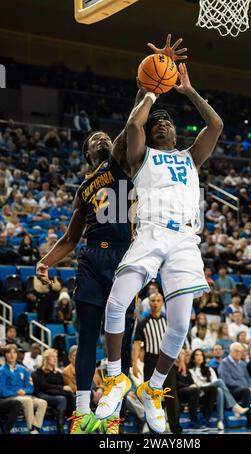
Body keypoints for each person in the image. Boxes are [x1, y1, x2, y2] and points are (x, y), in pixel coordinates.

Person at [98, 46, 223, 432]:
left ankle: (153, 389)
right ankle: (117, 377)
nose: (161, 125)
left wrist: (187, 90)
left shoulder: (190, 156)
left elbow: (216, 126)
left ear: (176, 131)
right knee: (117, 303)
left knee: (180, 326)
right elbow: (134, 126)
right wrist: (151, 90)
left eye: (167, 123)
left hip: (186, 239)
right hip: (151, 231)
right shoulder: (142, 155)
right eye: (157, 123)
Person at [35, 86, 145, 433]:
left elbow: (131, 124)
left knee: (122, 342)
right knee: (86, 337)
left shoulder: (121, 163)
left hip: (125, 259)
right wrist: (46, 261)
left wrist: (146, 86)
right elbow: (70, 238)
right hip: (92, 262)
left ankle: (111, 415)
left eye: (105, 136)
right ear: (87, 153)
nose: (101, 138)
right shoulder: (84, 188)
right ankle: (82, 412)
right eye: (95, 138)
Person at [132, 292, 181, 433]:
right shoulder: (143, 323)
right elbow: (136, 345)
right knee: (150, 394)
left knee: (171, 394)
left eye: (158, 300)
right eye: (153, 300)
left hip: (167, 361)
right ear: (149, 303)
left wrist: (180, 359)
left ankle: (175, 426)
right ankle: (151, 423)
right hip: (150, 361)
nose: (155, 303)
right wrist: (135, 364)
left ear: (162, 303)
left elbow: (177, 341)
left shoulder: (168, 321)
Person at [189, 349, 248, 430]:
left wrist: (210, 386)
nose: (199, 357)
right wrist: (209, 385)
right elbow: (197, 384)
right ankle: (234, 406)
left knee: (220, 390)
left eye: (201, 355)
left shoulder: (209, 369)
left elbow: (215, 383)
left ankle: (220, 421)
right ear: (193, 358)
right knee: (219, 382)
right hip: (199, 393)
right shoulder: (191, 370)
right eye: (197, 355)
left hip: (210, 394)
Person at [218, 342, 251, 428]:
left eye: (240, 351)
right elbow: (227, 381)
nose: (238, 353)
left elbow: (248, 378)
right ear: (230, 351)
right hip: (232, 391)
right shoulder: (224, 363)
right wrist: (245, 388)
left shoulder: (242, 364)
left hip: (246, 390)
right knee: (245, 391)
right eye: (236, 351)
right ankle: (250, 420)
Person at [0, 345, 47, 434]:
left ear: (17, 355)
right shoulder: (1, 371)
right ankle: (31, 429)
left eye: (14, 352)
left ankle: (36, 427)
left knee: (43, 403)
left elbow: (30, 387)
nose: (12, 355)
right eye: (9, 353)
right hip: (11, 397)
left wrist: (25, 391)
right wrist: (15, 392)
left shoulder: (23, 369)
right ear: (5, 355)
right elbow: (1, 390)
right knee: (28, 401)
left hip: (25, 395)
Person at [33, 348, 75, 434]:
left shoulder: (58, 373)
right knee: (62, 399)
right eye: (52, 356)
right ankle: (61, 430)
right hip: (42, 394)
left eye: (56, 356)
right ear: (46, 358)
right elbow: (44, 386)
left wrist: (65, 389)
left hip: (55, 394)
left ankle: (73, 428)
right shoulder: (39, 372)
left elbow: (59, 387)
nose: (55, 358)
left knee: (71, 396)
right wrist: (62, 388)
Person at [175, 352, 217, 430]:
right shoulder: (172, 367)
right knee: (195, 390)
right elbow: (174, 383)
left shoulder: (186, 369)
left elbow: (192, 382)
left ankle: (206, 419)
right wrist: (188, 386)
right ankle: (193, 421)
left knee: (212, 389)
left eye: (186, 355)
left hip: (192, 392)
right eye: (183, 354)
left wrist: (192, 385)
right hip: (178, 393)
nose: (185, 357)